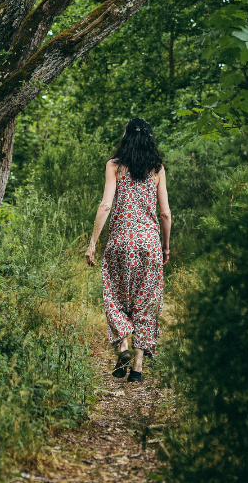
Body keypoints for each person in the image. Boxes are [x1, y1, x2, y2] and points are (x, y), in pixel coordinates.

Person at [85, 117, 171, 383]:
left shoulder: (114, 166)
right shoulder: (157, 168)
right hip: (149, 245)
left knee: (115, 295)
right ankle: (137, 368)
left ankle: (122, 346)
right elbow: (165, 213)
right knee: (146, 302)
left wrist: (92, 243)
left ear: (125, 137)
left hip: (120, 243)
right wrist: (165, 247)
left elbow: (105, 206)